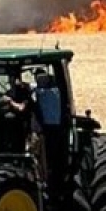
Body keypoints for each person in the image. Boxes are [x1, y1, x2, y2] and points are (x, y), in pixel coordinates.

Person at [32, 69, 68, 197]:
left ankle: (49, 183)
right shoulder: (56, 91)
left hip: (49, 129)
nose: (37, 80)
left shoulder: (42, 92)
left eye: (39, 77)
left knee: (47, 157)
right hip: (55, 127)